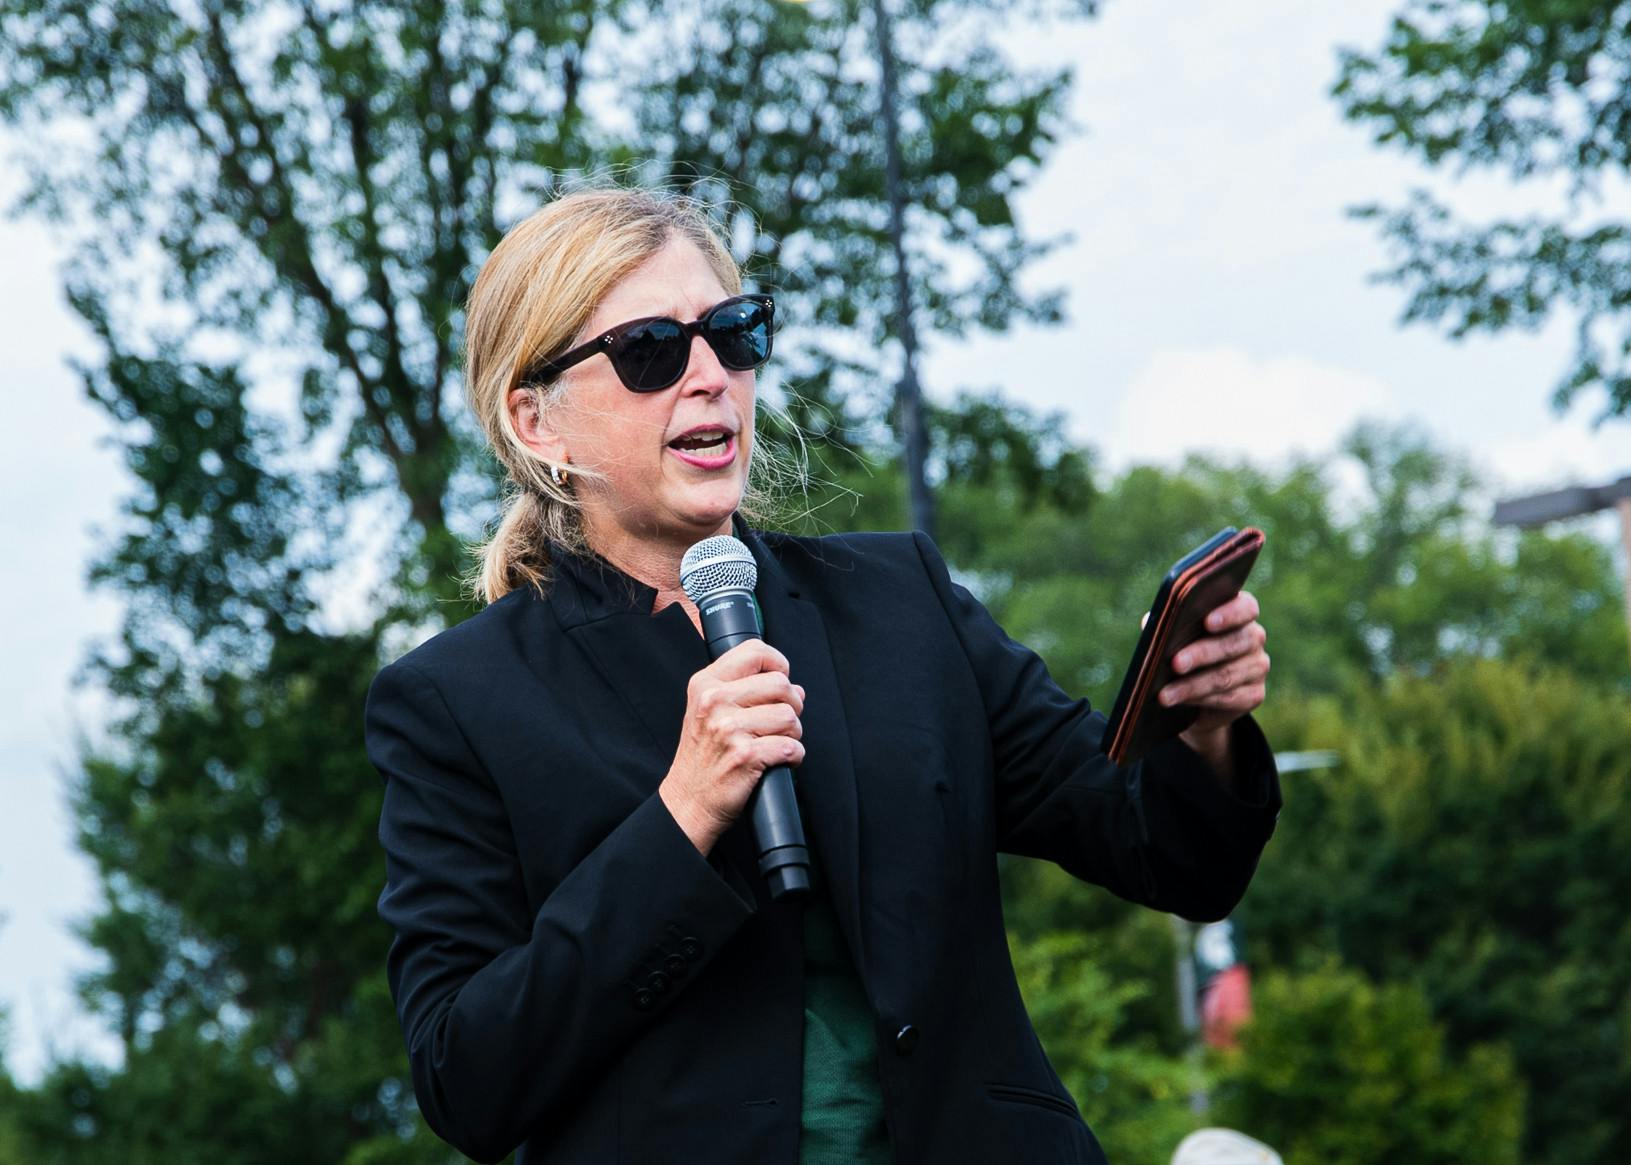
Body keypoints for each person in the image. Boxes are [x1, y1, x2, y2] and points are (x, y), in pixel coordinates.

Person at [364, 187, 1280, 1165]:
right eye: (649, 352)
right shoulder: (457, 700)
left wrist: (1199, 725)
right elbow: (466, 1076)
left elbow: (1166, 852)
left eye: (731, 332)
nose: (709, 375)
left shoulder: (900, 600)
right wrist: (682, 814)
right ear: (537, 421)